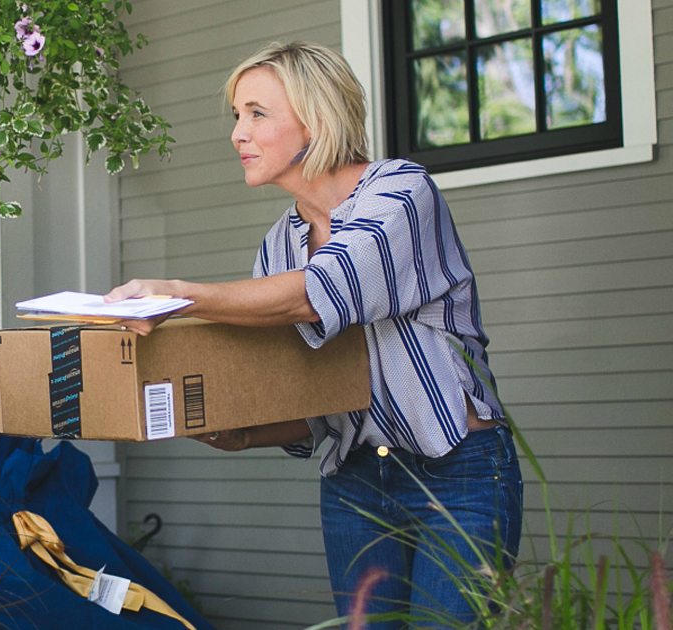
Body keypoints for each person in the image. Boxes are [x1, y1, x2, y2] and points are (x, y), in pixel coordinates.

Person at [105, 42, 523, 628]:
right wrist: (243, 432)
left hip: (458, 471)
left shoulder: (402, 194)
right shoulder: (277, 247)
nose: (237, 134)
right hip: (356, 480)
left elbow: (319, 292)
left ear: (317, 119)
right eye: (235, 116)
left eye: (256, 113)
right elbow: (316, 397)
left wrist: (178, 296)